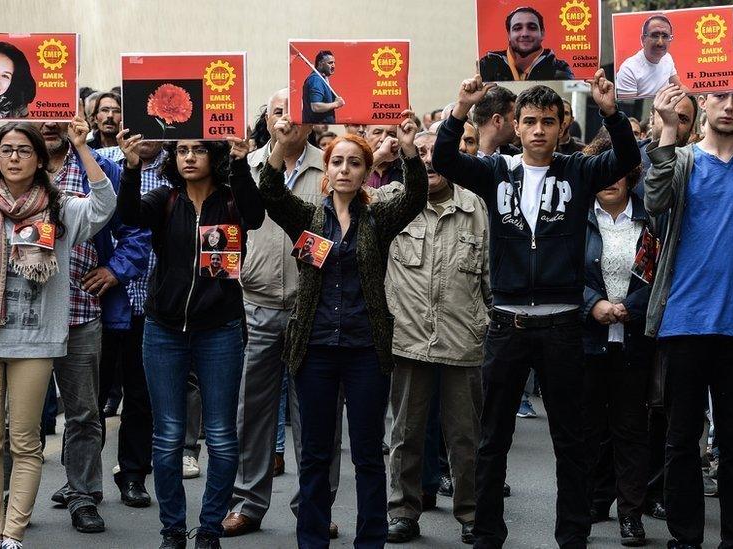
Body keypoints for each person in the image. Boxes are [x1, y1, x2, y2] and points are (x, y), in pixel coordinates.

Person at [433, 69, 638, 548]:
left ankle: (572, 536)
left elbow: (628, 157)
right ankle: (486, 533)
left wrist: (611, 109)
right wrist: (460, 109)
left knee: (571, 441)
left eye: (549, 121)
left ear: (562, 127)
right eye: (530, 121)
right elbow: (444, 159)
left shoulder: (580, 171)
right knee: (492, 440)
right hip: (507, 324)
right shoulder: (495, 171)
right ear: (516, 127)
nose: (539, 129)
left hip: (564, 326)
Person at [257, 111, 427, 548]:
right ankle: (312, 540)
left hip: (365, 349)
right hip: (314, 349)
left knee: (368, 453)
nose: (345, 169)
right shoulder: (307, 217)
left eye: (355, 163)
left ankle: (369, 541)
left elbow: (415, 196)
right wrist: (278, 143)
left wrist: (408, 148)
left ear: (367, 171)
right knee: (315, 454)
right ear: (326, 171)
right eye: (337, 162)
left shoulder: (379, 218)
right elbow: (271, 194)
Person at [643, 65, 733, 548]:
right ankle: (685, 537)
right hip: (684, 319)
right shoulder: (682, 159)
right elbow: (654, 201)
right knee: (681, 438)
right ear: (701, 102)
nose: (729, 104)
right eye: (719, 95)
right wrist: (665, 128)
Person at [0, 119, 117, 549]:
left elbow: (104, 203)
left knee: (25, 439)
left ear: (39, 160)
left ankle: (13, 534)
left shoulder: (62, 208)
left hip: (34, 343)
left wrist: (82, 146)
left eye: (24, 151)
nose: (15, 158)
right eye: (7, 150)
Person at [116, 133, 265, 549]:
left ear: (213, 155)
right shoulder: (164, 199)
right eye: (182, 150)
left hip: (219, 330)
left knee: (219, 434)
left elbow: (254, 217)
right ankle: (173, 530)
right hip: (164, 330)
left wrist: (240, 162)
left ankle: (210, 530)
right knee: (166, 437)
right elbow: (127, 216)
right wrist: (130, 169)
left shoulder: (233, 199)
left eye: (199, 149)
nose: (189, 157)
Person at [222, 88, 343, 540]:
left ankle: (315, 506)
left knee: (317, 415)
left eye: (294, 112)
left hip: (312, 309)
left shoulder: (330, 166)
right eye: (278, 111)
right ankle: (247, 503)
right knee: (252, 412)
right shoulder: (247, 166)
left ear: (312, 122)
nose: (286, 119)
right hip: (257, 304)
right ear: (268, 120)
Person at [34, 117, 149, 535]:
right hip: (21, 321)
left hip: (81, 311)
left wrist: (115, 269)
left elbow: (135, 229)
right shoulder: (8, 165)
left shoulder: (98, 167)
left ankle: (83, 496)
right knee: (19, 419)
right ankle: (11, 505)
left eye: (57, 114)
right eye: (39, 115)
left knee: (84, 413)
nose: (48, 123)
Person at [376, 130, 489, 545]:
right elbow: (341, 198)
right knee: (404, 432)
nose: (428, 160)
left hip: (463, 338)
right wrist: (380, 158)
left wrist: (484, 323)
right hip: (407, 338)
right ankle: (403, 511)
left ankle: (472, 514)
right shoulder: (393, 202)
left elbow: (490, 276)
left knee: (465, 436)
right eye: (418, 153)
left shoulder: (475, 206)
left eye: (434, 152)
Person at [579, 135, 655, 547]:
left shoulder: (649, 219)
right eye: (601, 170)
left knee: (630, 430)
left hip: (634, 339)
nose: (610, 179)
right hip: (588, 339)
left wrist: (632, 306)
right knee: (588, 428)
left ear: (630, 175)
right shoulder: (578, 219)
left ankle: (631, 514)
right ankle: (590, 503)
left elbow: (663, 273)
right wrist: (593, 305)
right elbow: (565, 272)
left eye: (617, 170)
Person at [97, 135, 171, 509]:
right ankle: (83, 481)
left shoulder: (177, 168)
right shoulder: (101, 162)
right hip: (102, 301)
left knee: (140, 399)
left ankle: (133, 477)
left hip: (152, 305)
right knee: (90, 396)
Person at [478, 6, 574, 82]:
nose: (525, 34)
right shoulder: (488, 64)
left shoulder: (560, 69)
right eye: (517, 28)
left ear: (542, 33)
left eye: (532, 27)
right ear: (509, 35)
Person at [616, 14, 683, 98]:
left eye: (665, 36)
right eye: (655, 36)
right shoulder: (628, 70)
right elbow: (626, 107)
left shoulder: (667, 58)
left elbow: (679, 87)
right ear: (643, 40)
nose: (660, 43)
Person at [470, 86, 518, 156]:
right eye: (515, 118)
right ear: (497, 120)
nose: (518, 125)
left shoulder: (515, 157)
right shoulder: (461, 151)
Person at [302, 50, 344, 124]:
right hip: (318, 129)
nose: (333, 65)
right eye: (330, 63)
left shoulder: (322, 79)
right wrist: (336, 104)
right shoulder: (316, 80)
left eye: (334, 63)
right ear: (320, 64)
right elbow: (316, 106)